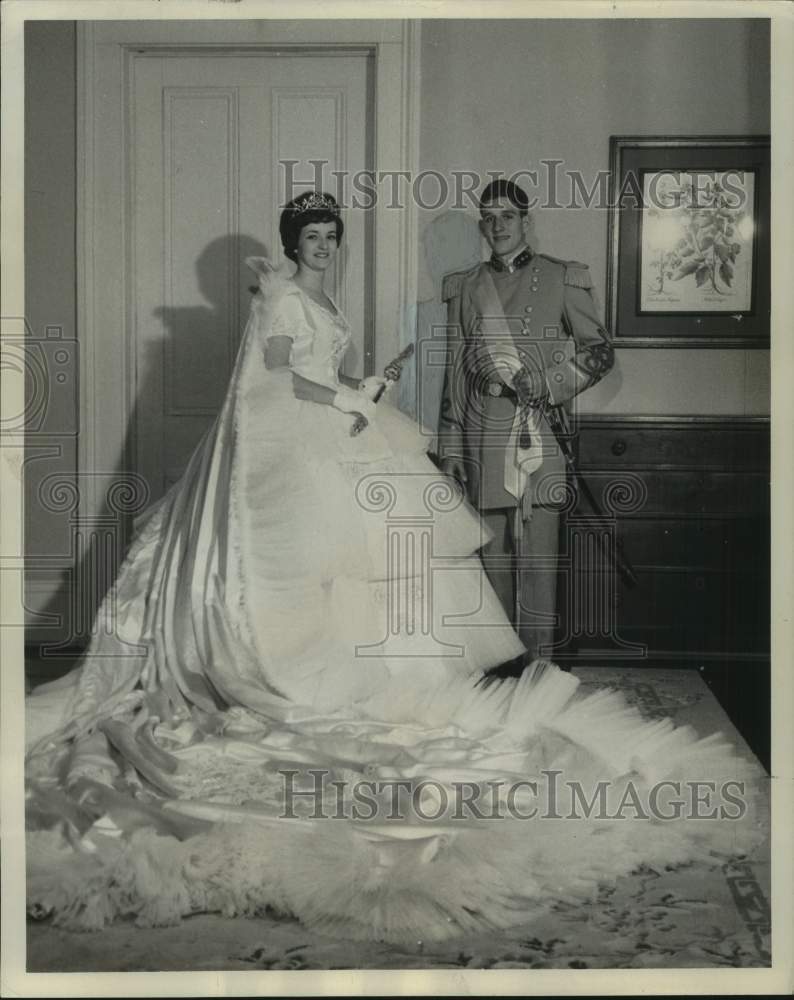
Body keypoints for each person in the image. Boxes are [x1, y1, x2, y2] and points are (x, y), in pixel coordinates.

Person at [25, 191, 759, 945]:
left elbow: (584, 352)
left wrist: (372, 389)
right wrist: (356, 395)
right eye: (311, 237)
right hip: (312, 440)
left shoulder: (533, 279)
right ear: (293, 243)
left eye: (329, 236)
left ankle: (479, 666)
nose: (322, 246)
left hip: (451, 432)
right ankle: (311, 674)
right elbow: (278, 377)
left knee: (436, 558)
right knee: (327, 562)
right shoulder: (311, 294)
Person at [438, 179, 614, 662]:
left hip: (538, 434)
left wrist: (551, 381)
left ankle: (537, 671)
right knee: (491, 562)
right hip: (482, 438)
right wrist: (451, 448)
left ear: (526, 221)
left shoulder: (562, 277)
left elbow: (600, 353)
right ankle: (500, 671)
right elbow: (454, 373)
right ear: (481, 226)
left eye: (508, 217)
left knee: (539, 562)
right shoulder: (465, 286)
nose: (498, 226)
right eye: (489, 218)